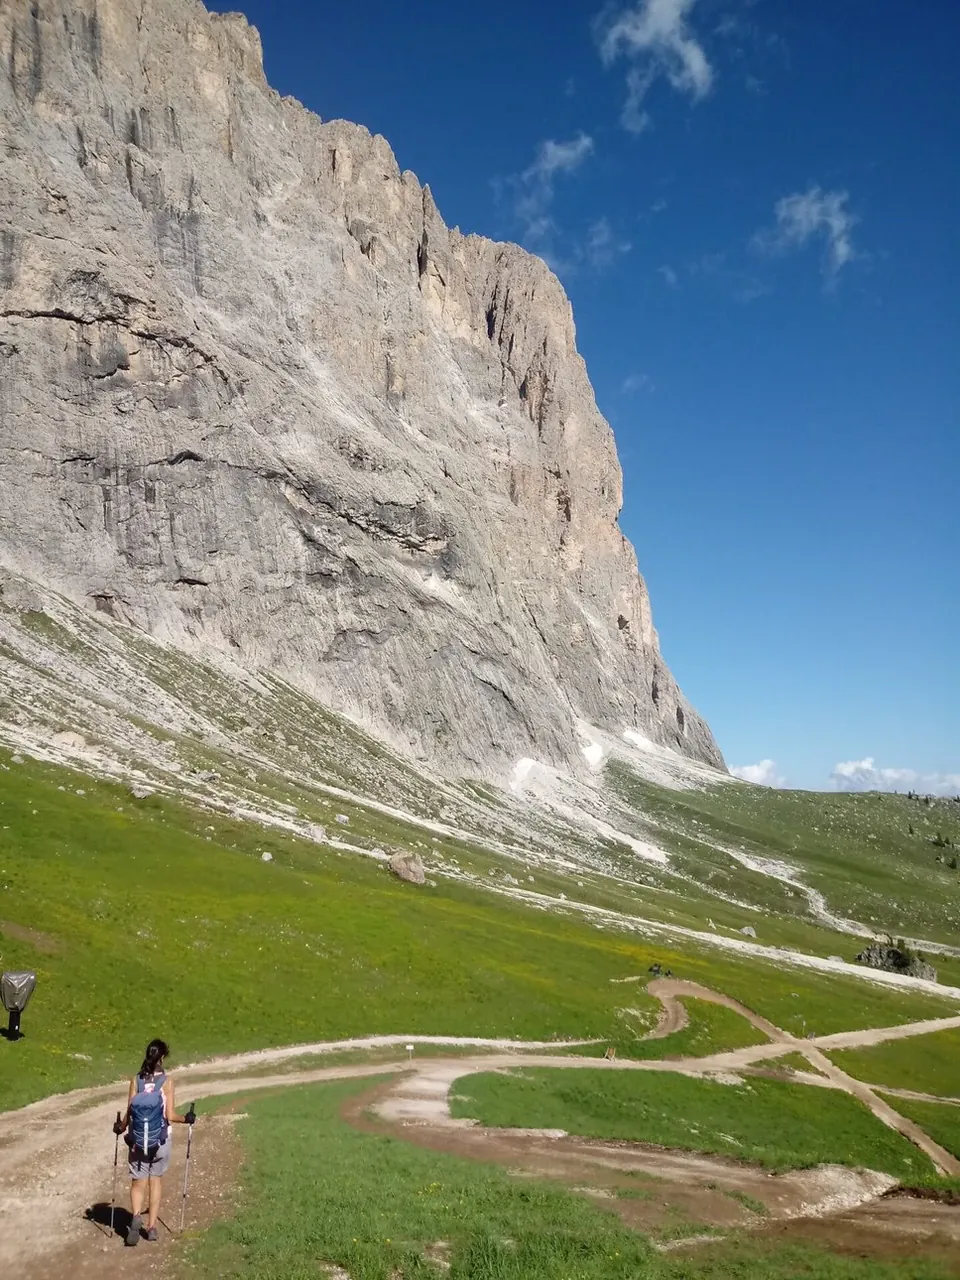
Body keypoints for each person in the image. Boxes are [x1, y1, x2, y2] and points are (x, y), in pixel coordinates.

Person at [113, 1038, 196, 1245]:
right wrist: (187, 1118)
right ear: (162, 1057)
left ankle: (136, 1216)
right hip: (161, 1140)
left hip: (137, 1141)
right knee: (155, 1180)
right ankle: (151, 1228)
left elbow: (130, 1112)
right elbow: (170, 1116)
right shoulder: (167, 1082)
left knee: (138, 1182)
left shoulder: (136, 1080)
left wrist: (120, 1128)